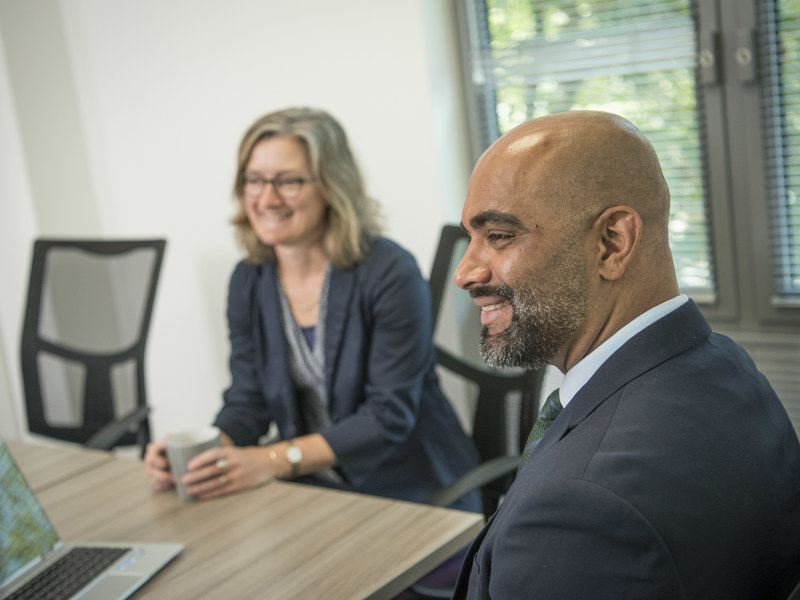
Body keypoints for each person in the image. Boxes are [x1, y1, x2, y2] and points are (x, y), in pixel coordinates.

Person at [451, 110, 800, 599]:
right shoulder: (726, 366)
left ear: (613, 242)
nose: (464, 272)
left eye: (500, 236)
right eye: (471, 237)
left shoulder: (578, 515)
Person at [144, 107, 479, 513]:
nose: (266, 199)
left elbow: (387, 417)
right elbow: (247, 402)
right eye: (254, 180)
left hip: (412, 491)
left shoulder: (389, 271)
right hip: (313, 488)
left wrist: (269, 461)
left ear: (331, 185)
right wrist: (203, 457)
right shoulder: (249, 280)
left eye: (287, 182)